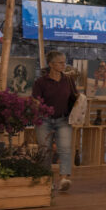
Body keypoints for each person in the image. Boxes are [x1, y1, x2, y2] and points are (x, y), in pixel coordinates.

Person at [32, 50, 77, 192]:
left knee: (64, 149)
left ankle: (64, 179)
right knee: (45, 151)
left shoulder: (69, 80)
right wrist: (38, 106)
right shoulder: (40, 82)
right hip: (44, 120)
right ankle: (47, 180)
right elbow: (35, 100)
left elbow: (75, 97)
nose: (64, 65)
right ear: (51, 64)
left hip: (63, 119)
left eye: (64, 62)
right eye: (60, 63)